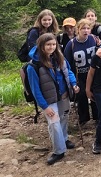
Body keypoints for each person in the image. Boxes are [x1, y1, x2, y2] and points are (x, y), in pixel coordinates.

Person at [27, 33, 80, 165]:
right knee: (54, 123)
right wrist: (44, 106)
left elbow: (69, 71)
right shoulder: (33, 65)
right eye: (48, 45)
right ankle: (59, 150)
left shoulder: (59, 57)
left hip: (63, 95)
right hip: (49, 100)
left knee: (64, 118)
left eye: (53, 44)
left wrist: (73, 84)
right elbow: (35, 89)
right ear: (41, 46)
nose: (51, 47)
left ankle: (64, 139)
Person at [64, 18, 100, 124]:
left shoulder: (94, 39)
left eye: (88, 28)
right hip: (79, 74)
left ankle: (97, 117)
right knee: (81, 95)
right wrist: (71, 78)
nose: (86, 31)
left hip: (93, 73)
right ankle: (83, 118)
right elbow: (67, 61)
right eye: (83, 28)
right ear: (77, 30)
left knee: (95, 93)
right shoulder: (71, 44)